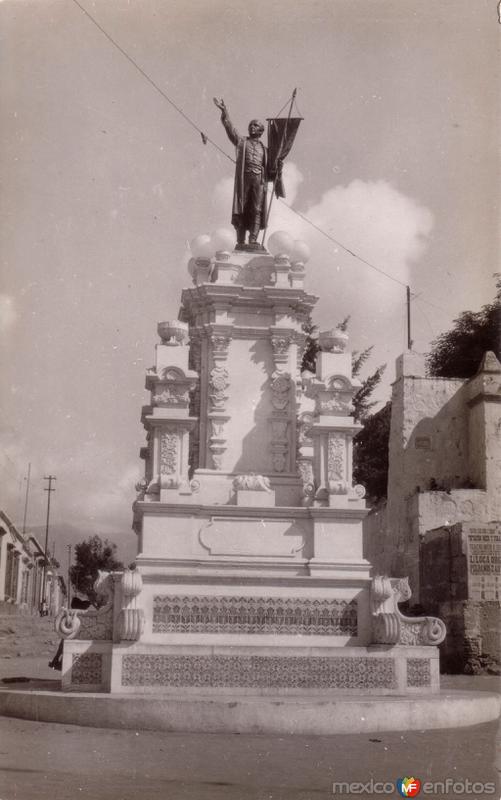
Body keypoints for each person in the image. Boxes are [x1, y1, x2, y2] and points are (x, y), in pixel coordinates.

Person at [214, 97, 269, 249]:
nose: (252, 127)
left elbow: (272, 169)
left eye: (255, 125)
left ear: (261, 130)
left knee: (257, 208)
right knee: (242, 207)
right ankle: (240, 240)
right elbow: (230, 129)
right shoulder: (242, 142)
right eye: (250, 125)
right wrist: (225, 111)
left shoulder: (265, 150)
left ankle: (253, 239)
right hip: (245, 178)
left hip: (259, 180)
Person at [48, 595, 92, 671]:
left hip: (70, 634)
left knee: (62, 648)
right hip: (71, 633)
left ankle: (57, 662)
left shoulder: (74, 612)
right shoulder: (78, 613)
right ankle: (57, 662)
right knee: (62, 648)